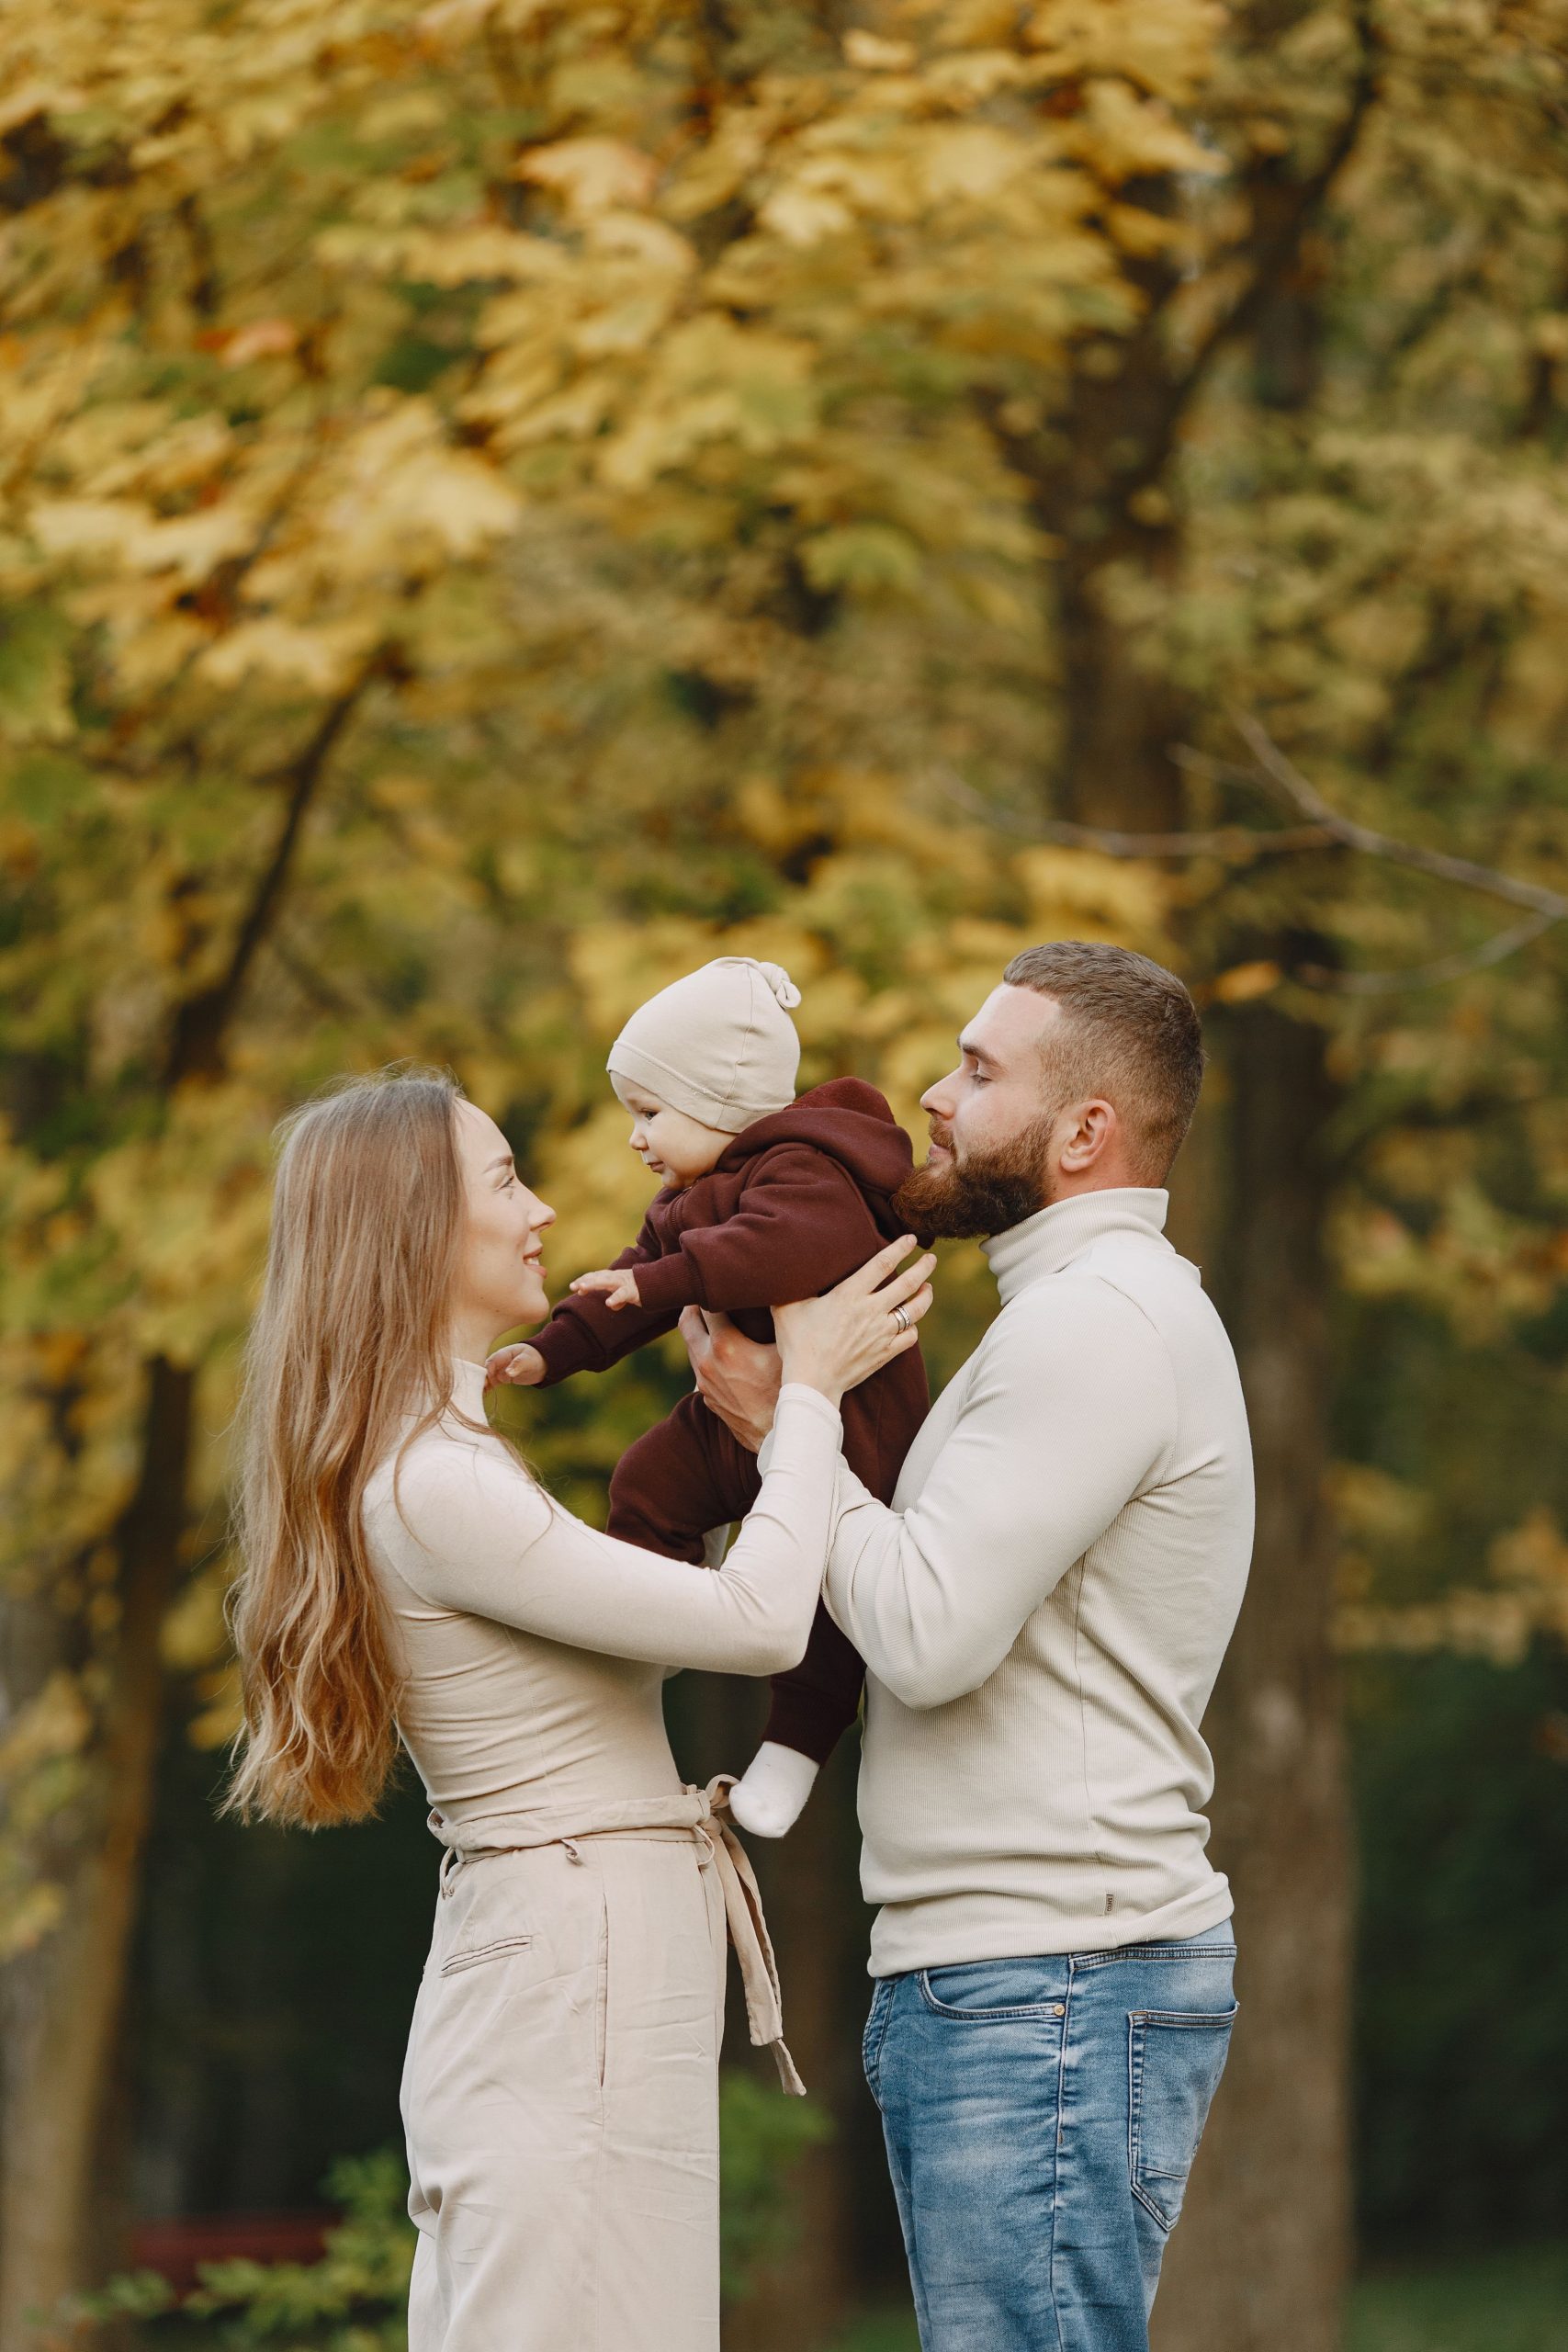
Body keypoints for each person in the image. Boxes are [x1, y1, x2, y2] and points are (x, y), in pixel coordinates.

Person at [222, 1065, 932, 2352]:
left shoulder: (448, 1459)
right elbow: (756, 1623)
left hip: (570, 1955)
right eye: (505, 1180)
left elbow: (654, 1632)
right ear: (416, 1229)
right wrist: (810, 1398)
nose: (545, 1209)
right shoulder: (436, 1482)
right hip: (569, 1966)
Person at [683, 942, 1256, 2352]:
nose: (931, 1098)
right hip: (1021, 1978)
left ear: (1082, 1131)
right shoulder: (1057, 1322)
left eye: (978, 1070)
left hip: (1049, 1978)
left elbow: (925, 1634)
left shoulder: (1093, 1326)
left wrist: (785, 1426)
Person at [486, 956, 930, 1838]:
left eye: (650, 1113)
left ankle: (797, 1743)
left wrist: (668, 1282)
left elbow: (782, 1250)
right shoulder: (682, 1199)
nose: (635, 1137)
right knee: (647, 1482)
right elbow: (626, 1280)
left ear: (721, 1102)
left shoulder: (809, 1170)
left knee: (823, 1597)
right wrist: (552, 1351)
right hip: (730, 1412)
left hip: (845, 1428)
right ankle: (644, 1634)